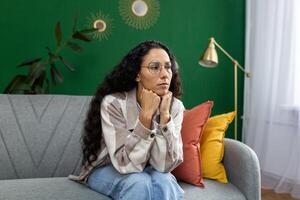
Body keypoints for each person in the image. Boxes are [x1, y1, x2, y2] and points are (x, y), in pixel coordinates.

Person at [68, 40, 185, 200]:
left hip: (148, 168)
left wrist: (164, 117)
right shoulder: (113, 103)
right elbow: (125, 165)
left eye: (168, 67)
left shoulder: (175, 107)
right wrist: (145, 117)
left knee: (164, 181)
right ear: (137, 74)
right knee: (138, 182)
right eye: (155, 67)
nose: (165, 74)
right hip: (108, 167)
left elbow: (164, 166)